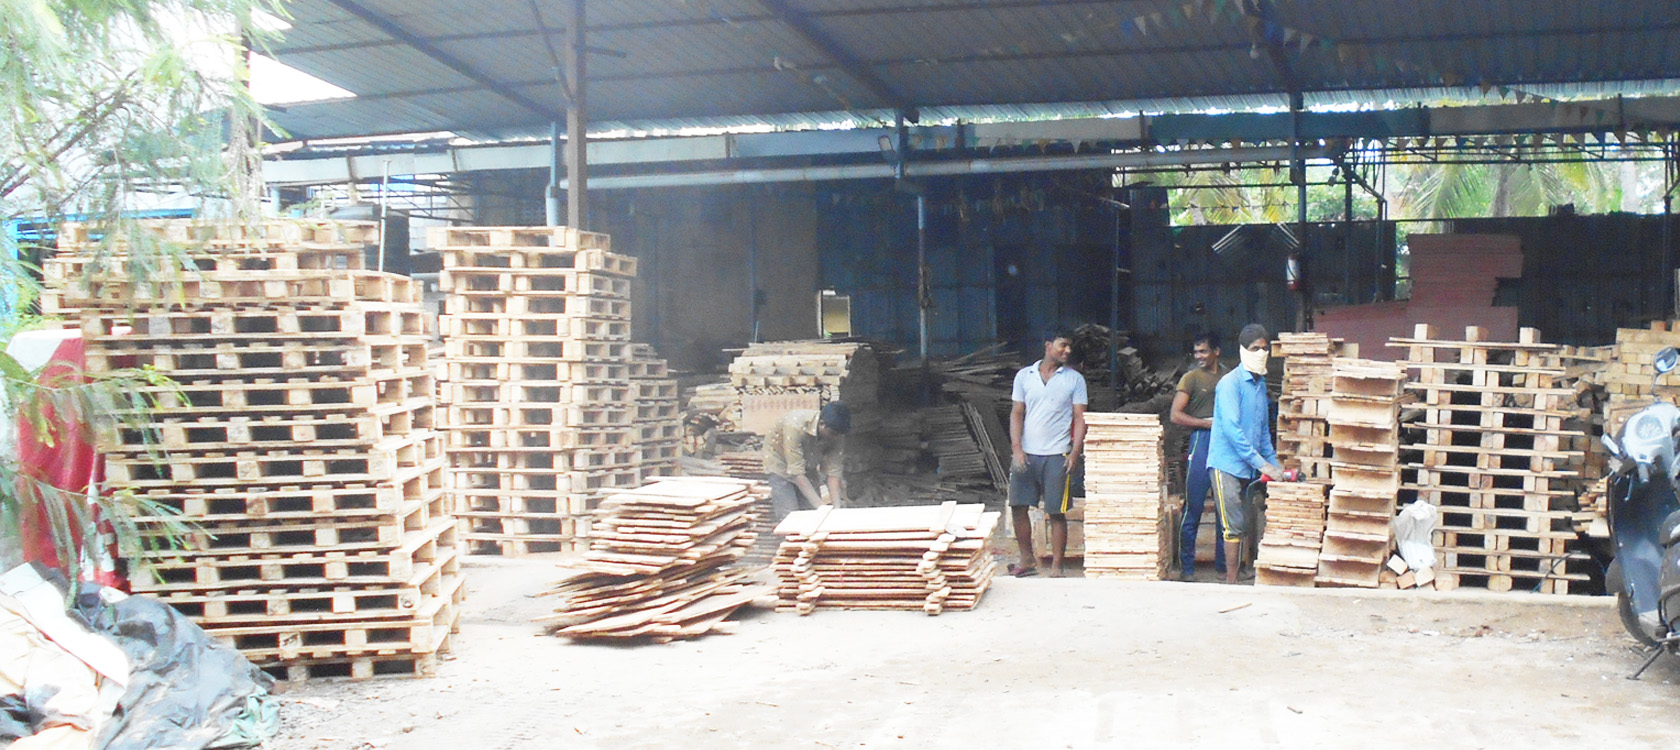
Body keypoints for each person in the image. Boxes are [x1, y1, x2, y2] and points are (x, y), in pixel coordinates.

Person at [1208, 323, 1285, 586]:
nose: (1261, 353)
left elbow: (1263, 434)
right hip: (1226, 465)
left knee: (1248, 522)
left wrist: (1275, 468)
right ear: (1242, 350)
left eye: (1264, 348)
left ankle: (1241, 573)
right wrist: (1262, 465)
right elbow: (1232, 430)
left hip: (1248, 467)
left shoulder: (1260, 386)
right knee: (1233, 526)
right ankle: (1231, 582)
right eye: (1255, 349)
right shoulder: (1229, 384)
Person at [1008, 329, 1088, 578]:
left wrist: (1074, 453)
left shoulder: (1074, 379)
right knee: (1018, 507)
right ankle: (1026, 559)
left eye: (1069, 346)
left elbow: (1080, 418)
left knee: (1056, 512)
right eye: (1063, 345)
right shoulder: (1024, 376)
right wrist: (1017, 448)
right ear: (1048, 345)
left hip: (1057, 455)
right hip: (1027, 454)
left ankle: (1056, 566)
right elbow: (1017, 413)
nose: (1067, 351)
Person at [1171, 331, 1225, 581]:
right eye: (1196, 352)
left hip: (1225, 443)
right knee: (1193, 506)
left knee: (1225, 509)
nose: (1199, 356)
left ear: (1217, 351)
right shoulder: (1191, 378)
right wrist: (1206, 424)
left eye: (1203, 351)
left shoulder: (1228, 377)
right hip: (1201, 442)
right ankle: (1187, 569)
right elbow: (1175, 415)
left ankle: (1224, 568)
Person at [763, 402, 850, 521]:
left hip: (808, 464)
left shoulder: (836, 433)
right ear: (821, 424)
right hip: (781, 464)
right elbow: (796, 472)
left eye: (838, 435)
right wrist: (822, 507)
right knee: (790, 516)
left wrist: (836, 508)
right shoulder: (795, 425)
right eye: (833, 434)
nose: (835, 438)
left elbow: (833, 472)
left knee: (813, 514)